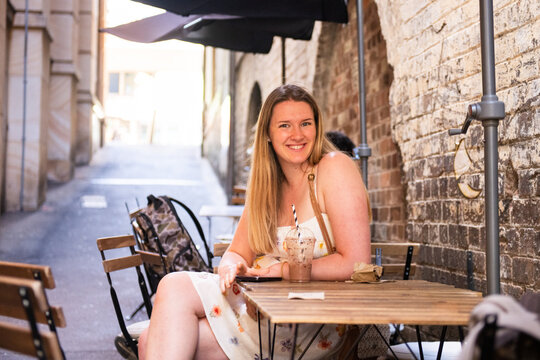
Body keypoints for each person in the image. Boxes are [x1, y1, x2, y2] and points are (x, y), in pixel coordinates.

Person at [139, 84, 371, 360]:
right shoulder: (267, 187)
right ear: (269, 136)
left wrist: (282, 270)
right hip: (260, 309)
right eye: (285, 125)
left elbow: (356, 262)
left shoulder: (333, 167)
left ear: (317, 128)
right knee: (153, 330)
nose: (297, 134)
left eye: (305, 123)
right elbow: (236, 253)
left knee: (157, 329)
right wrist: (230, 267)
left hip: (314, 320)